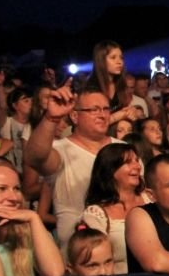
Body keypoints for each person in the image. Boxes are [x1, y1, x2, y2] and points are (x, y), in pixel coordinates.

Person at [24, 82, 123, 252]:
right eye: (94, 110)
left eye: (106, 109)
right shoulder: (60, 150)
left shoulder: (124, 150)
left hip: (125, 250)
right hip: (79, 254)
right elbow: (34, 158)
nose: (102, 115)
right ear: (75, 116)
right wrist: (51, 118)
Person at [81, 142, 150, 275]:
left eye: (137, 160)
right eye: (128, 162)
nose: (137, 166)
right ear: (110, 170)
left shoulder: (151, 199)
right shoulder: (96, 214)